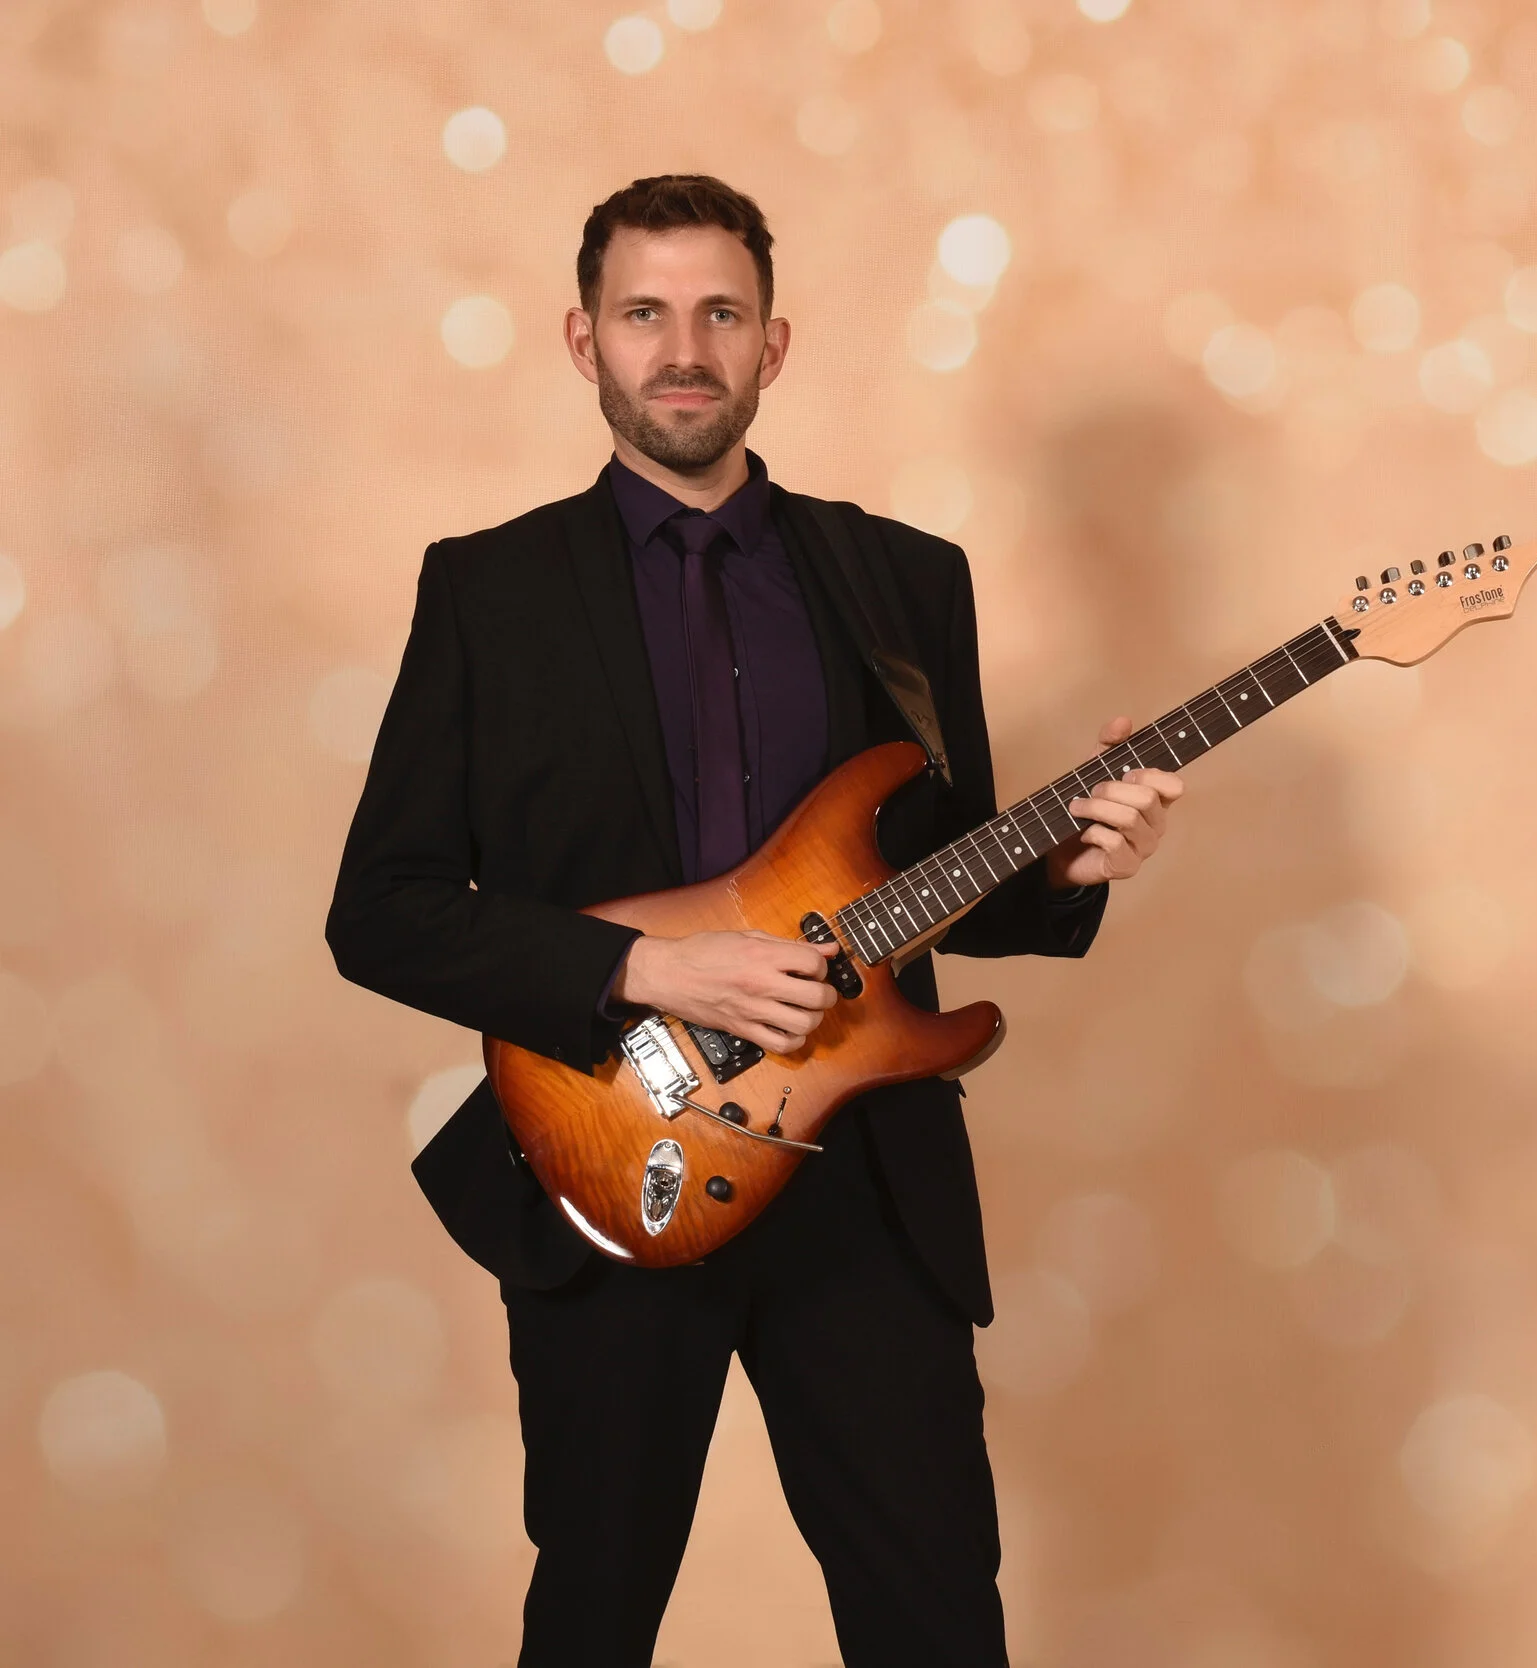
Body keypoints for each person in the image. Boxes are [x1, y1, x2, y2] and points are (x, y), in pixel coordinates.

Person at [325, 174, 1183, 1667]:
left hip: (865, 1183)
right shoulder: (487, 592)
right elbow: (380, 912)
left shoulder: (907, 582)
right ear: (580, 339)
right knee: (593, 1620)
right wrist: (646, 966)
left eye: (720, 314)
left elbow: (933, 876)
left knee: (936, 1627)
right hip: (610, 1154)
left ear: (774, 345)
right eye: (644, 313)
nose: (683, 349)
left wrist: (1062, 869)